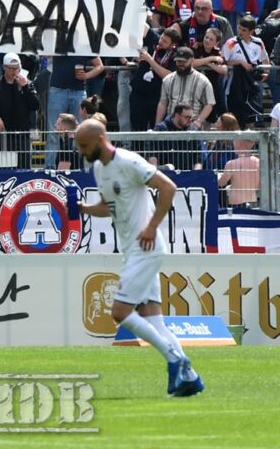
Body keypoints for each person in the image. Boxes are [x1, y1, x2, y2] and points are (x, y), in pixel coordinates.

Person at [74, 119, 204, 397]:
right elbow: (108, 207)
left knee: (119, 312)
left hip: (146, 247)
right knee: (153, 320)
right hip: (133, 250)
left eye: (84, 146)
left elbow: (168, 187)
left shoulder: (129, 161)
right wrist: (84, 209)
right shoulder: (99, 169)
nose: (81, 152)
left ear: (100, 140)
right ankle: (191, 378)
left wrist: (152, 226)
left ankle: (175, 359)